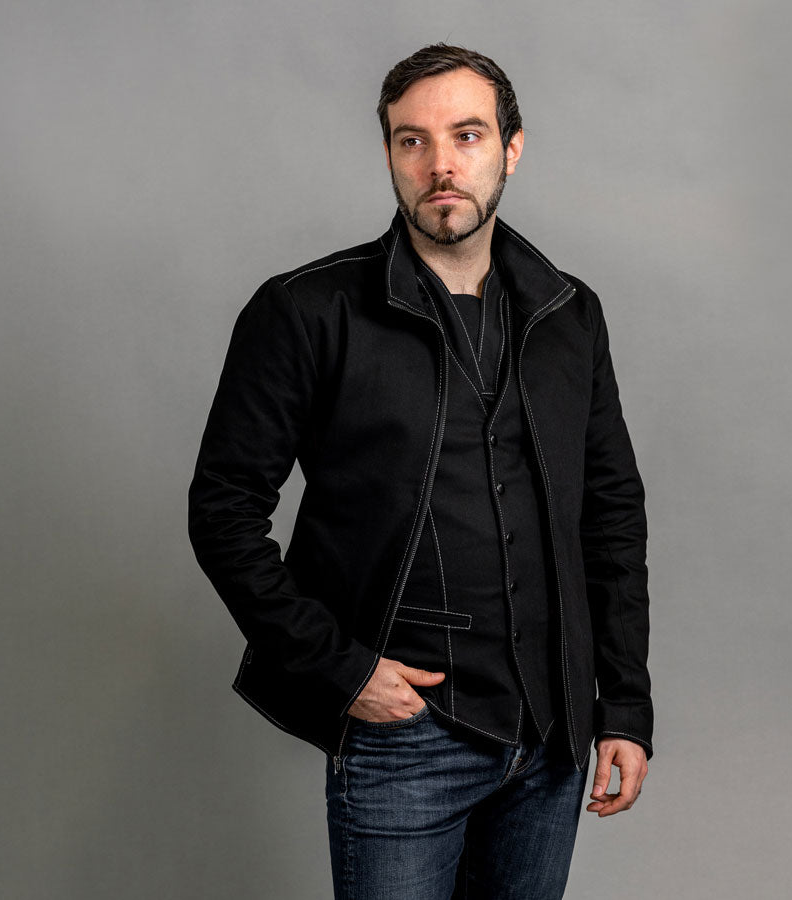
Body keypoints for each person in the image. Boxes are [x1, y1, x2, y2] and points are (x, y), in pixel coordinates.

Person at [189, 43, 653, 899]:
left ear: (512, 148)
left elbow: (611, 513)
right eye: (413, 140)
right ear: (390, 155)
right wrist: (342, 670)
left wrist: (622, 705)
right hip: (407, 738)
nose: (441, 164)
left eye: (467, 136)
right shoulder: (307, 310)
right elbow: (222, 512)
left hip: (552, 739)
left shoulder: (570, 314)